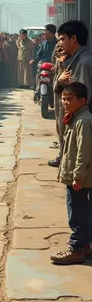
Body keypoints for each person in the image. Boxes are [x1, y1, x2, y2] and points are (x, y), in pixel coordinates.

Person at [51, 82, 92, 266]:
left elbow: (83, 152)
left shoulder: (83, 121)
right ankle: (85, 246)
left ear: (83, 101)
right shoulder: (75, 118)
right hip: (76, 175)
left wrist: (78, 176)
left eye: (69, 99)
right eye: (63, 99)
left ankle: (77, 248)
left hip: (79, 178)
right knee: (82, 210)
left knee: (76, 212)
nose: (64, 103)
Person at [50, 20, 92, 169]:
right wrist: (59, 82)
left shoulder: (84, 62)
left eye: (62, 39)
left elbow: (82, 97)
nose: (60, 43)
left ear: (73, 39)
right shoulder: (72, 61)